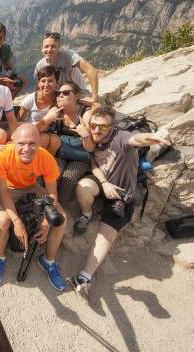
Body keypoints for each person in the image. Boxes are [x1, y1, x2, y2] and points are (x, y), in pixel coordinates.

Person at [70, 106, 171, 298]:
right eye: (93, 126)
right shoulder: (93, 140)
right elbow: (94, 163)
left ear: (113, 127)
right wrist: (105, 183)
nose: (97, 131)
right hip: (103, 184)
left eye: (103, 127)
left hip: (122, 194)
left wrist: (154, 137)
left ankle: (85, 276)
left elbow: (136, 139)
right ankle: (87, 214)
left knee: (105, 236)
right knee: (83, 186)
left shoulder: (121, 138)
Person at [0, 124, 69, 290]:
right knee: (4, 221)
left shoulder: (46, 158)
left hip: (31, 187)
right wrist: (17, 222)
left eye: (32, 143)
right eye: (21, 143)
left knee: (61, 218)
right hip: (8, 189)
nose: (27, 149)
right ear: (13, 142)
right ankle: (0, 257)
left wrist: (47, 222)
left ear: (39, 143)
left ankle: (49, 260)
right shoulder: (2, 157)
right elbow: (2, 191)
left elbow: (52, 193)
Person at [50, 81, 95, 208]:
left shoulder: (85, 114)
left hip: (81, 155)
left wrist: (85, 135)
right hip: (62, 152)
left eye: (65, 92)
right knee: (53, 175)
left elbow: (92, 147)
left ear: (76, 96)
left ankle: (59, 210)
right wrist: (47, 120)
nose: (60, 96)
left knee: (68, 179)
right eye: (58, 93)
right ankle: (47, 207)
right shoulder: (56, 112)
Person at [33, 32, 99, 102]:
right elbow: (38, 86)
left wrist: (94, 97)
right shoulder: (40, 65)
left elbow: (91, 70)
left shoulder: (68, 55)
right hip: (58, 97)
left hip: (79, 95)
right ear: (42, 49)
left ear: (59, 47)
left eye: (53, 46)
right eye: (46, 46)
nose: (49, 50)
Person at [18, 65, 62, 155]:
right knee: (44, 138)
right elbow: (18, 120)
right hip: (31, 131)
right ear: (38, 83)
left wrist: (92, 103)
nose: (46, 84)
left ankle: (47, 163)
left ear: (56, 83)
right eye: (43, 81)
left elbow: (75, 99)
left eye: (50, 81)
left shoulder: (59, 98)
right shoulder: (31, 99)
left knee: (55, 140)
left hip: (47, 131)